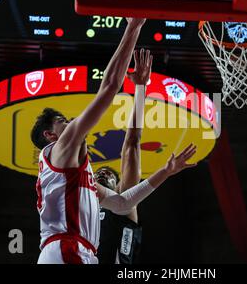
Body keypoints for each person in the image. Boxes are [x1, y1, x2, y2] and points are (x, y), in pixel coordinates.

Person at [31, 15, 197, 264]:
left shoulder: (79, 183)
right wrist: (134, 25)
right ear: (50, 135)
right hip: (66, 249)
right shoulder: (61, 149)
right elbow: (109, 86)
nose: (72, 121)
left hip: (80, 253)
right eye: (63, 120)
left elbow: (122, 202)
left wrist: (165, 171)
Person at [96, 48, 152, 264]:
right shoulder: (83, 208)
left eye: (108, 174)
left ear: (117, 184)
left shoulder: (123, 201)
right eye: (99, 172)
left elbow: (131, 143)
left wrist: (140, 88)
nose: (101, 174)